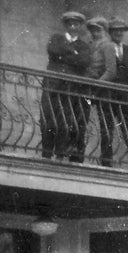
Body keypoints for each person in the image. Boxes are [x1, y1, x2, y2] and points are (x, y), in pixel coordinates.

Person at [42, 10, 92, 160]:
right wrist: (73, 53)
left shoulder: (83, 46)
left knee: (66, 120)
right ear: (66, 25)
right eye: (70, 23)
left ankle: (60, 154)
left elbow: (84, 61)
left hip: (71, 88)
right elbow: (52, 49)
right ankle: (47, 153)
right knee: (49, 118)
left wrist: (64, 55)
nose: (73, 26)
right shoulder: (56, 38)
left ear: (79, 27)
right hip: (53, 86)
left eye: (76, 24)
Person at [83, 16, 120, 166]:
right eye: (92, 30)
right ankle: (78, 155)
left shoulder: (108, 46)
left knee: (106, 124)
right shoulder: (89, 45)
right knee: (81, 119)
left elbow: (111, 71)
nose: (94, 33)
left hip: (103, 88)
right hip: (87, 86)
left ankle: (106, 160)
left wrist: (97, 85)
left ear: (104, 31)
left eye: (97, 30)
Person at [106, 16, 128, 168]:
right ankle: (106, 161)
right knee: (106, 128)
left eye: (121, 30)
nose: (118, 33)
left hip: (127, 98)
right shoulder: (105, 48)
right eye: (115, 31)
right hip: (109, 95)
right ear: (110, 33)